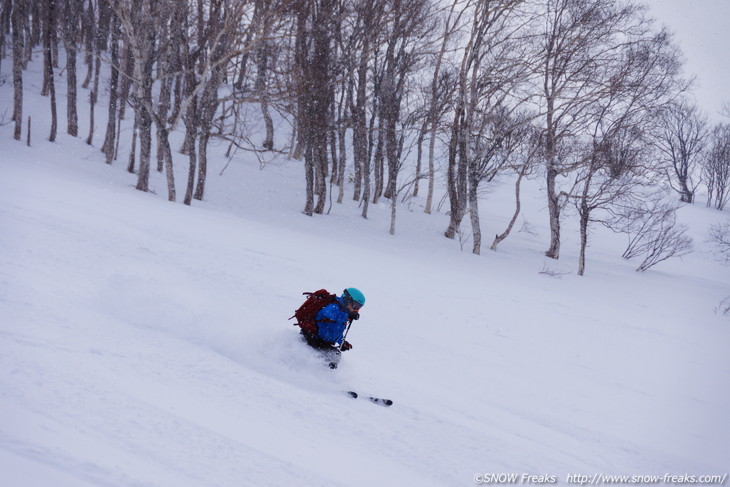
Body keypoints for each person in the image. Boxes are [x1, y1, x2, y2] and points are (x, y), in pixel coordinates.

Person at [300, 288, 365, 369]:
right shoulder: (334, 305)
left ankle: (324, 375)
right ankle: (315, 372)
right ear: (347, 299)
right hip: (312, 337)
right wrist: (347, 316)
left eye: (359, 307)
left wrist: (342, 342)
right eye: (355, 305)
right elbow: (327, 312)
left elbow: (335, 332)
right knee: (333, 356)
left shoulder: (344, 313)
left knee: (335, 355)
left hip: (322, 342)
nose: (356, 310)